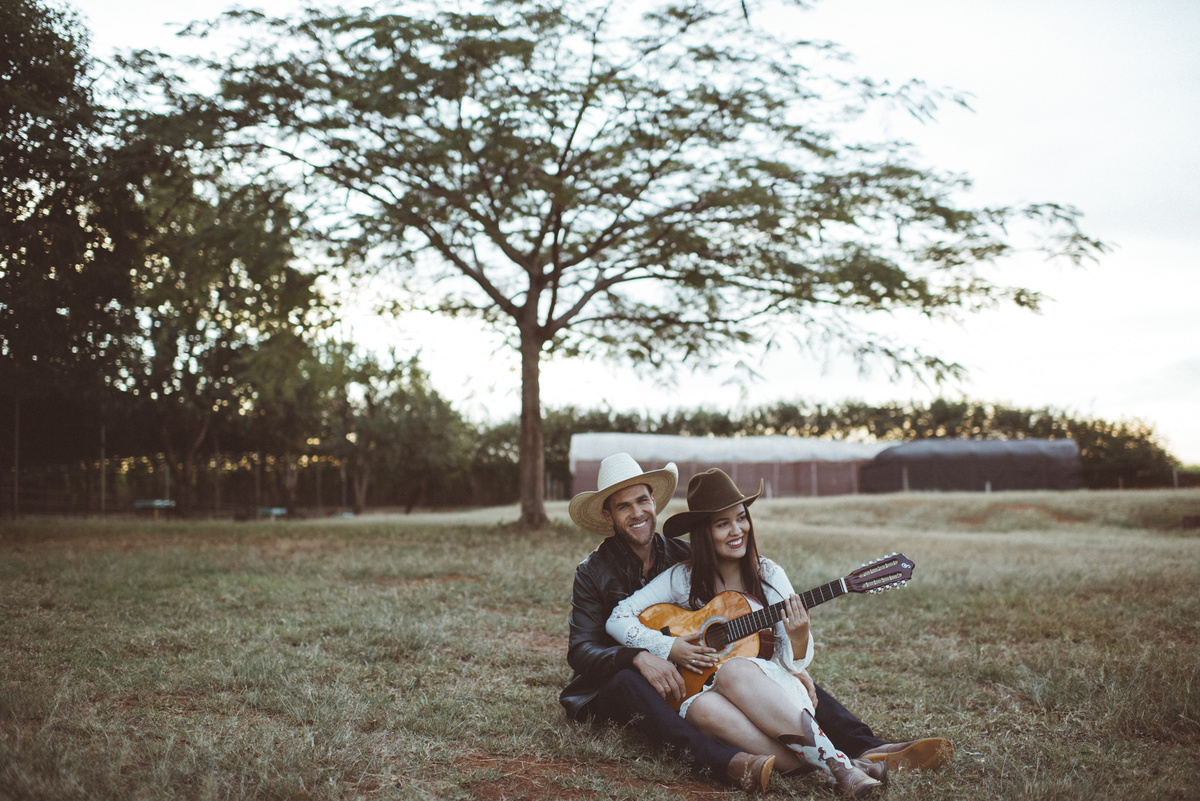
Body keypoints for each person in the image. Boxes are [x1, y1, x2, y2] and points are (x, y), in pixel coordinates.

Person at [560, 454, 952, 794]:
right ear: (608, 515)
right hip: (617, 682)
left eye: (642, 500)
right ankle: (725, 760)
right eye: (623, 506)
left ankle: (864, 748)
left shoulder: (684, 557)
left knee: (778, 675)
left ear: (654, 502)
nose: (637, 512)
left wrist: (794, 658)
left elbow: (745, 632)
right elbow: (582, 648)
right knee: (643, 684)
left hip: (700, 672)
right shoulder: (593, 572)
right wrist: (642, 655)